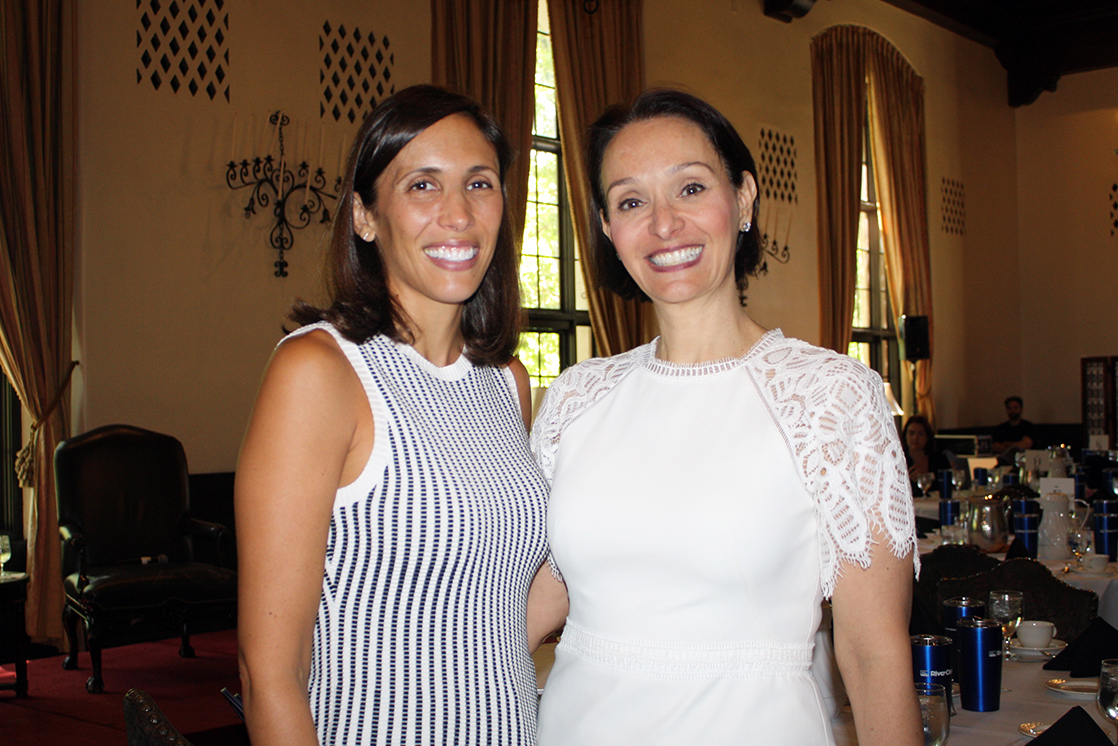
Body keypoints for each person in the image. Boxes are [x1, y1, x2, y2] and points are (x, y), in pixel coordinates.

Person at [529, 89, 921, 745]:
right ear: (606, 229)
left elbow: (874, 656)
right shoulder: (577, 397)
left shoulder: (831, 397)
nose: (664, 223)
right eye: (631, 202)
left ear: (743, 199)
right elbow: (541, 594)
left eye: (690, 188)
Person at [236, 85, 565, 746]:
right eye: (422, 185)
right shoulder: (320, 373)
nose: (458, 214)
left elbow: (501, 616)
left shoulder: (506, 382)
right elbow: (270, 674)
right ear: (365, 216)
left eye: (479, 184)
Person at [903, 415, 952, 495]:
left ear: (927, 437)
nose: (915, 437)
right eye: (911, 433)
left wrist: (928, 477)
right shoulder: (898, 460)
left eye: (920, 434)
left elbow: (948, 483)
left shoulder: (939, 459)